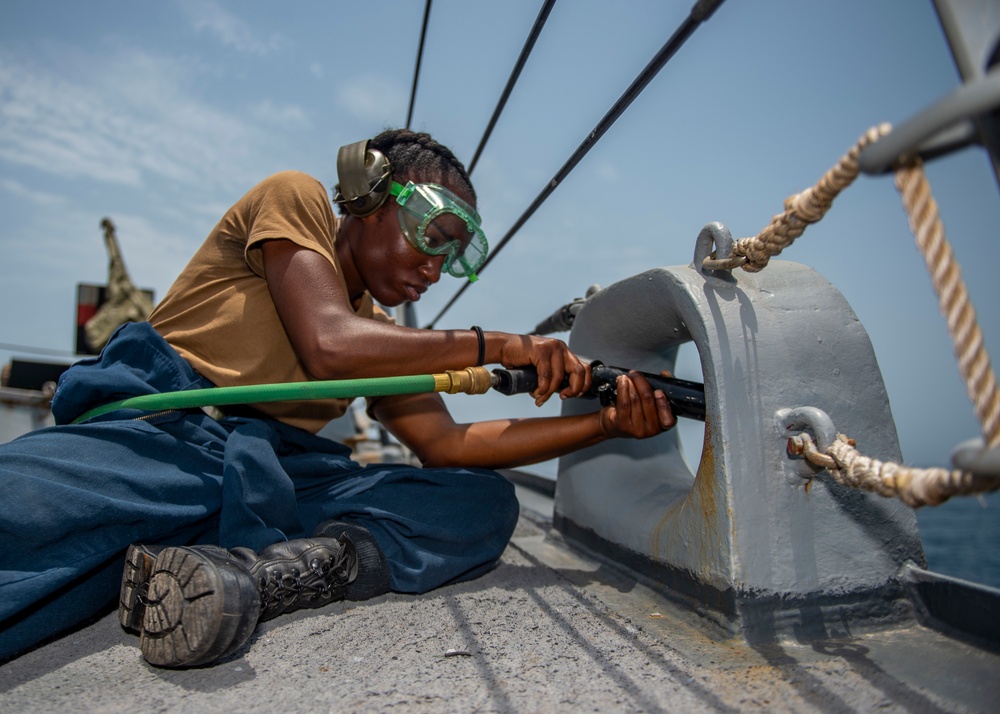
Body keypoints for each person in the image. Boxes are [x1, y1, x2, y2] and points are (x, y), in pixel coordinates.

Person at [0, 129, 675, 669]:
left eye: (453, 257)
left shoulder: (381, 338)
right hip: (159, 435)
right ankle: (220, 553)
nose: (434, 270)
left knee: (480, 503)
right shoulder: (294, 199)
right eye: (431, 237)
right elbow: (328, 342)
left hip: (269, 476)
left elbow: (447, 446)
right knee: (18, 514)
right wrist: (497, 344)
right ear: (366, 192)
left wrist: (605, 427)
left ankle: (271, 572)